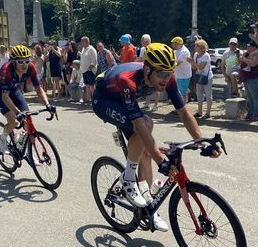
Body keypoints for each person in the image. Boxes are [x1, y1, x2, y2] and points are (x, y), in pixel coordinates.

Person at [92, 43, 221, 232]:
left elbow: (184, 113)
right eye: (161, 74)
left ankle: (148, 209)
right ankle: (128, 178)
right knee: (146, 124)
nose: (165, 79)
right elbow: (138, 124)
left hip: (123, 99)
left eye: (169, 73)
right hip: (104, 100)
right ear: (147, 69)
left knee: (145, 153)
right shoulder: (128, 81)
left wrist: (202, 143)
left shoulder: (168, 78)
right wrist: (161, 160)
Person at [0, 45, 54, 154]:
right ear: (13, 62)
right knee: (14, 121)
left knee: (28, 121)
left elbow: (39, 89)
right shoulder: (7, 70)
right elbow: (5, 97)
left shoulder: (31, 67)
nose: (24, 65)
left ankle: (27, 150)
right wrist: (17, 112)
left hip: (15, 89)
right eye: (20, 62)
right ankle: (2, 139)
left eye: (26, 61)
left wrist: (47, 105)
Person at [187, 39, 214, 119]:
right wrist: (191, 63)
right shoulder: (195, 54)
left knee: (208, 95)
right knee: (199, 95)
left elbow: (201, 67)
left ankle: (208, 113)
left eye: (196, 46)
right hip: (199, 77)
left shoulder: (206, 56)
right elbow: (195, 67)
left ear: (201, 47)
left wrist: (192, 62)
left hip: (207, 77)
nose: (194, 47)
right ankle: (199, 112)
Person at [239, 41, 258, 122]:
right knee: (250, 98)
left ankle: (256, 115)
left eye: (249, 46)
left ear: (254, 47)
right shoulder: (246, 54)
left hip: (253, 79)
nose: (247, 48)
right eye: (247, 46)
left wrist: (244, 59)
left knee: (255, 97)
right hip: (246, 79)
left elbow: (253, 64)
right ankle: (250, 114)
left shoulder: (257, 55)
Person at [79, 36, 97, 103]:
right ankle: (88, 99)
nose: (81, 43)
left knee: (91, 85)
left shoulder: (91, 49)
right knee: (86, 84)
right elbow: (84, 57)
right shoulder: (84, 49)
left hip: (90, 70)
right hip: (84, 70)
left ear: (86, 42)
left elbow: (94, 61)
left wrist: (89, 68)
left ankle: (94, 99)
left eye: (82, 42)